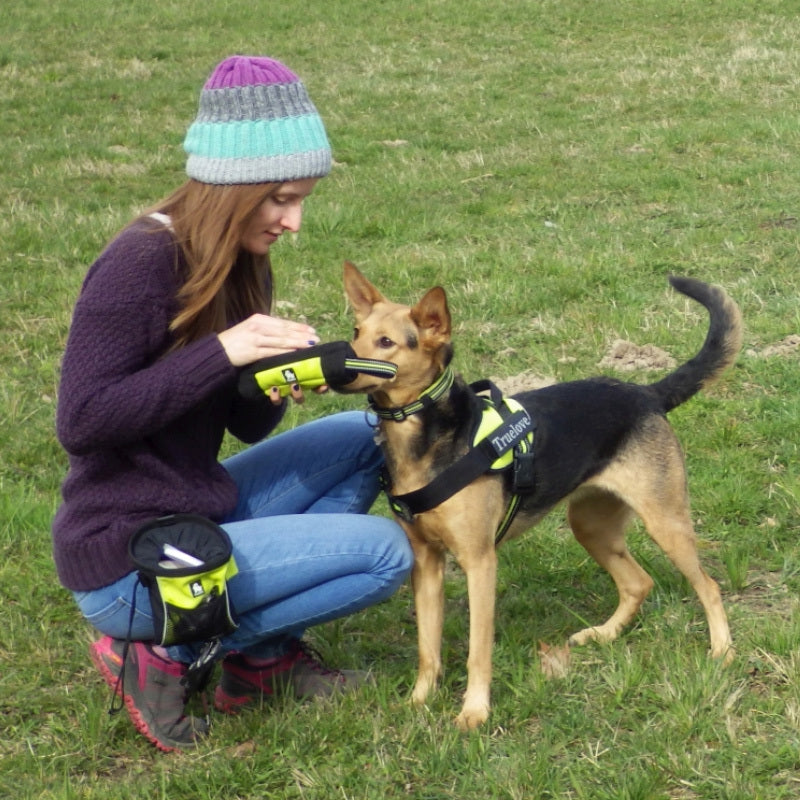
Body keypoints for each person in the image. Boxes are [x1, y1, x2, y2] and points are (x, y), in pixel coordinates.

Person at [52, 55, 414, 753]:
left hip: (194, 506)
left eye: (302, 199)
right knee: (384, 556)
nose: (294, 221)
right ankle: (163, 653)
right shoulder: (140, 262)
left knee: (365, 434)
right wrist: (221, 353)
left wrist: (275, 378)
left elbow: (244, 424)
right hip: (129, 556)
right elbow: (83, 420)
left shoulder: (242, 262)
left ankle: (260, 663)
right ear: (231, 185)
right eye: (280, 198)